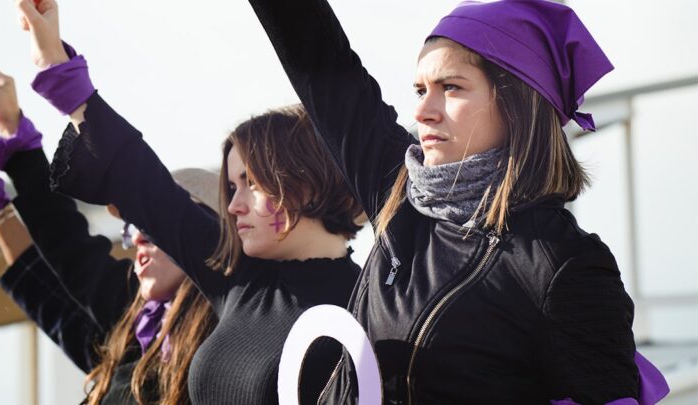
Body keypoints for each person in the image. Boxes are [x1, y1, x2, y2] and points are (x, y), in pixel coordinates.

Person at [248, 0, 668, 403]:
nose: (424, 112)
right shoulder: (398, 191)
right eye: (420, 90)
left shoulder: (562, 263)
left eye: (451, 87)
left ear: (517, 102)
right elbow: (318, 57)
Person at [12, 1, 366, 403]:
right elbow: (143, 183)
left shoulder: (372, 306)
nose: (234, 206)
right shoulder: (239, 278)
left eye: (251, 183)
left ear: (305, 182)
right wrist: (57, 66)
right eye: (231, 189)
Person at [0, 42, 217, 404]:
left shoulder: (225, 340)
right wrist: (9, 146)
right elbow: (59, 274)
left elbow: (71, 251)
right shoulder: (135, 322)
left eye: (154, 227)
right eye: (134, 229)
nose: (139, 238)